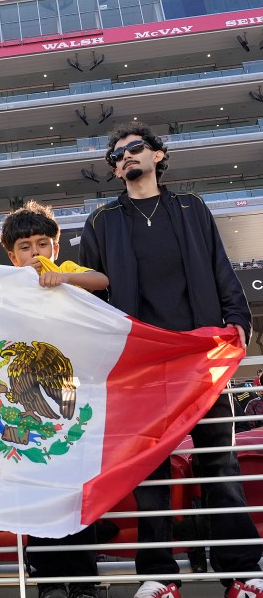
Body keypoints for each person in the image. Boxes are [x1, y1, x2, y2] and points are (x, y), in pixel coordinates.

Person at [79, 123, 262, 598]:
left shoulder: (191, 208)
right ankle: (159, 577)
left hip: (197, 359)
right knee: (150, 474)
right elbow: (91, 297)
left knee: (217, 463)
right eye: (116, 156)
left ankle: (243, 573)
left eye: (134, 149)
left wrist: (237, 314)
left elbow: (220, 265)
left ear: (158, 156)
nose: (124, 158)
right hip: (140, 363)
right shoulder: (102, 221)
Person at [0, 200, 108, 598]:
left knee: (77, 485)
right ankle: (47, 579)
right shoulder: (3, 284)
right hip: (25, 400)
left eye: (43, 245)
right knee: (36, 483)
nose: (35, 254)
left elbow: (101, 279)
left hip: (72, 391)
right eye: (25, 247)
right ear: (11, 256)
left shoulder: (67, 271)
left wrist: (62, 278)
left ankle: (83, 580)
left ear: (55, 248)